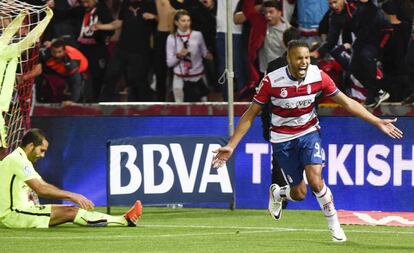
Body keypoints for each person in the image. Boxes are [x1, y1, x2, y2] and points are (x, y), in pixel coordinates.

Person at [212, 40, 403, 242]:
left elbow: (347, 102)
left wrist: (376, 121)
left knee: (316, 181)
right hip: (282, 139)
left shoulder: (318, 75)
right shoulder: (271, 82)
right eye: (299, 58)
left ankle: (334, 225)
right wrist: (232, 145)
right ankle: (279, 193)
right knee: (300, 193)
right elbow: (250, 115)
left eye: (307, 57)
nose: (304, 62)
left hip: (309, 133)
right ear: (289, 59)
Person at [0, 128, 142, 228]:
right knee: (70, 211)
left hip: (22, 211)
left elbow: (42, 185)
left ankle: (123, 219)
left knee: (69, 210)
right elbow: (41, 189)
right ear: (31, 146)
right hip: (15, 215)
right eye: (41, 150)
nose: (42, 155)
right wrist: (71, 195)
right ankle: (123, 221)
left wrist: (70, 196)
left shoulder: (20, 159)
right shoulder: (17, 160)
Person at [166, 9, 213, 102]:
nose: (186, 23)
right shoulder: (171, 38)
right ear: (176, 22)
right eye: (183, 21)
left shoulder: (198, 35)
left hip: (198, 77)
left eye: (188, 20)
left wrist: (210, 55)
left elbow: (204, 52)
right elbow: (169, 63)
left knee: (204, 107)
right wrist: (179, 55)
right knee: (180, 109)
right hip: (180, 78)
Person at [22, 39, 89, 104]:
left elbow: (76, 81)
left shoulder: (71, 61)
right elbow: (38, 70)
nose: (57, 55)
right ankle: (37, 99)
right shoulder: (45, 52)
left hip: (77, 71)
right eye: (54, 52)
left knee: (77, 91)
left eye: (59, 52)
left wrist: (72, 101)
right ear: (51, 50)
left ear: (64, 51)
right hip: (56, 69)